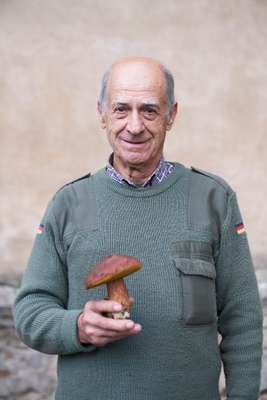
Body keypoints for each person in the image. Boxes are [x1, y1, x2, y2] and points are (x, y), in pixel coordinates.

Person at [14, 57, 263, 400]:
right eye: (120, 110)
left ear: (171, 115)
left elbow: (243, 320)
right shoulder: (69, 203)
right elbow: (30, 312)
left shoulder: (212, 198)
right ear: (101, 114)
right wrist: (78, 328)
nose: (134, 126)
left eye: (149, 110)